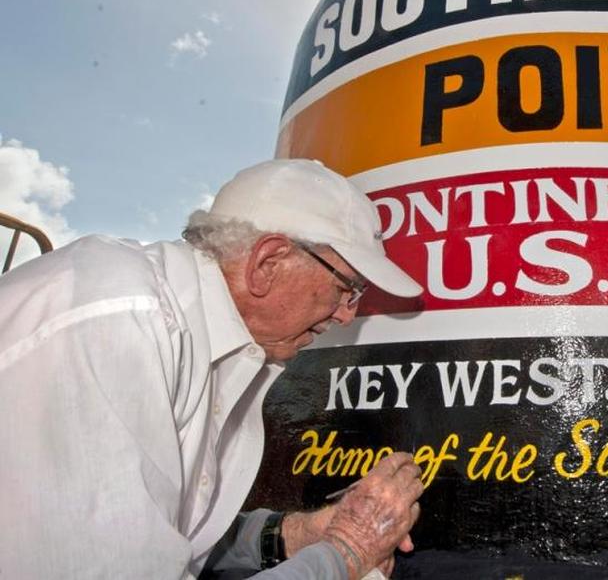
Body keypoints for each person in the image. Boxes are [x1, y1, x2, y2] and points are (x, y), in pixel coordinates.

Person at [0, 159, 425, 579]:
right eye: (346, 289)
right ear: (268, 263)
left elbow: (172, 531)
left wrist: (291, 536)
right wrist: (346, 554)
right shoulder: (117, 322)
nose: (347, 315)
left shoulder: (191, 334)